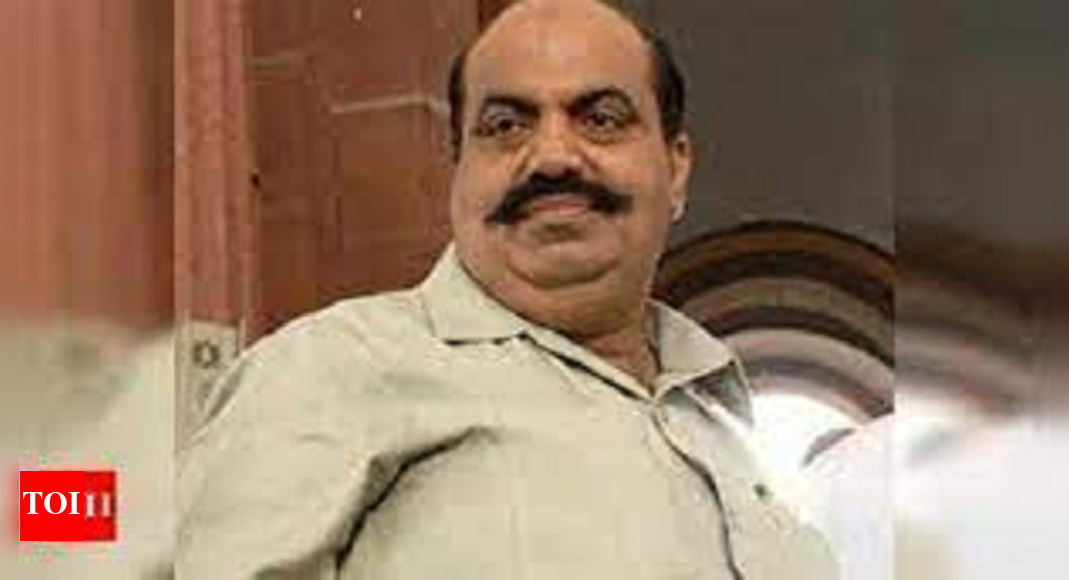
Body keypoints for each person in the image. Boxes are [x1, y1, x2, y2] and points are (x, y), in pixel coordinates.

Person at [177, 1, 837, 578]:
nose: (552, 156)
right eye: (504, 126)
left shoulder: (722, 427)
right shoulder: (332, 367)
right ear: (458, 173)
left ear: (676, 167)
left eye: (602, 118)